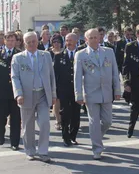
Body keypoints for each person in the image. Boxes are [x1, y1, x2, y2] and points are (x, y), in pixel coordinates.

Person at [74, 28, 121, 160]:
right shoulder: (81, 55)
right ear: (86, 40)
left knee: (107, 121)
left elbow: (114, 72)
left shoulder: (109, 52)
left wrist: (117, 90)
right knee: (94, 121)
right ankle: (97, 148)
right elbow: (78, 77)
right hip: (90, 93)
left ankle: (96, 136)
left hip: (106, 92)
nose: (95, 40)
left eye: (96, 37)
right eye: (91, 38)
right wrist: (78, 94)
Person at [11, 31, 57, 162]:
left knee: (44, 123)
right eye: (29, 42)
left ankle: (43, 151)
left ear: (38, 41)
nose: (32, 44)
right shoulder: (18, 58)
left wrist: (53, 94)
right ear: (24, 44)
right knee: (28, 125)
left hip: (42, 94)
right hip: (26, 95)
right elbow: (15, 77)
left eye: (34, 41)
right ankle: (30, 150)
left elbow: (51, 76)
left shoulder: (46, 55)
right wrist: (18, 94)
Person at [0, 32, 21, 150]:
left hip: (15, 92)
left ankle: (15, 142)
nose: (11, 43)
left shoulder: (19, 54)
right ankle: (1, 132)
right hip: (1, 91)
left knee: (16, 118)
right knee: (1, 117)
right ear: (5, 41)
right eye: (9, 40)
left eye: (13, 41)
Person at [54, 33, 80, 146]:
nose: (68, 42)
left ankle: (73, 135)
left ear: (76, 41)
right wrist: (55, 91)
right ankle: (65, 137)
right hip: (64, 90)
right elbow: (55, 75)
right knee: (65, 113)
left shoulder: (81, 54)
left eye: (70, 40)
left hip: (77, 89)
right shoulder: (59, 56)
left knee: (76, 114)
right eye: (67, 40)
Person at [116, 27, 134, 104]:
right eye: (127, 34)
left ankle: (128, 95)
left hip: (132, 65)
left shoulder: (134, 42)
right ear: (124, 33)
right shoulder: (120, 43)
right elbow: (117, 55)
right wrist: (118, 65)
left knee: (131, 81)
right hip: (123, 65)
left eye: (130, 34)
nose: (129, 36)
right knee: (126, 80)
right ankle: (127, 95)